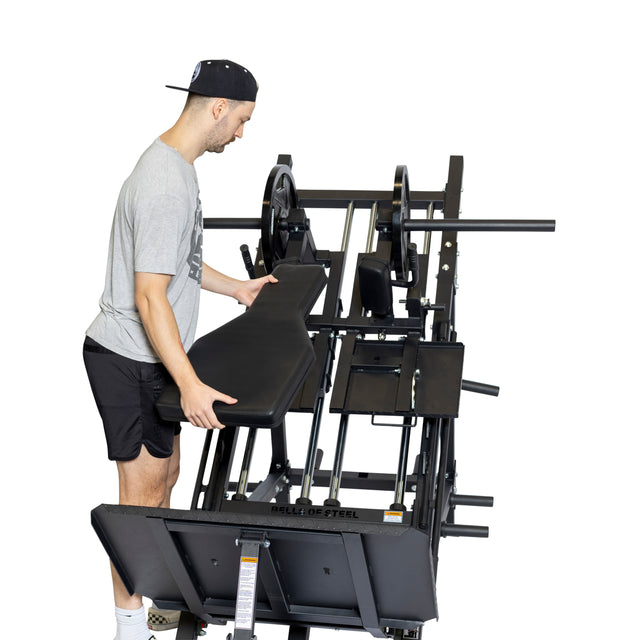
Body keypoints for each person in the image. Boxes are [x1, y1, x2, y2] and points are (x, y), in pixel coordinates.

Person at [83, 59, 275, 640]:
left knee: (167, 476)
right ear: (217, 109)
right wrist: (189, 383)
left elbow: (179, 266)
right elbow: (149, 297)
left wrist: (236, 287)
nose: (241, 133)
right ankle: (127, 625)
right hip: (129, 359)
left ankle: (157, 601)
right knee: (138, 504)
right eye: (241, 120)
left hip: (153, 359)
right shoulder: (166, 183)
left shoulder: (178, 167)